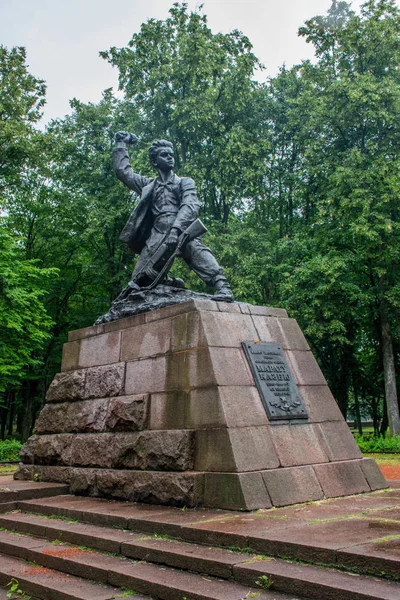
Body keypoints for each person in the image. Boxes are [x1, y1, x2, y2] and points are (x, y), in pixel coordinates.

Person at [113, 132, 234, 300]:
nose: (170, 158)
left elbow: (190, 205)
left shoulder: (185, 182)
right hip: (157, 234)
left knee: (197, 251)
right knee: (138, 281)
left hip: (182, 229)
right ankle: (168, 282)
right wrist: (121, 144)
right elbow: (123, 173)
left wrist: (175, 230)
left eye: (171, 155)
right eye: (164, 155)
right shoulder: (148, 185)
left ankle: (223, 288)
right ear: (155, 161)